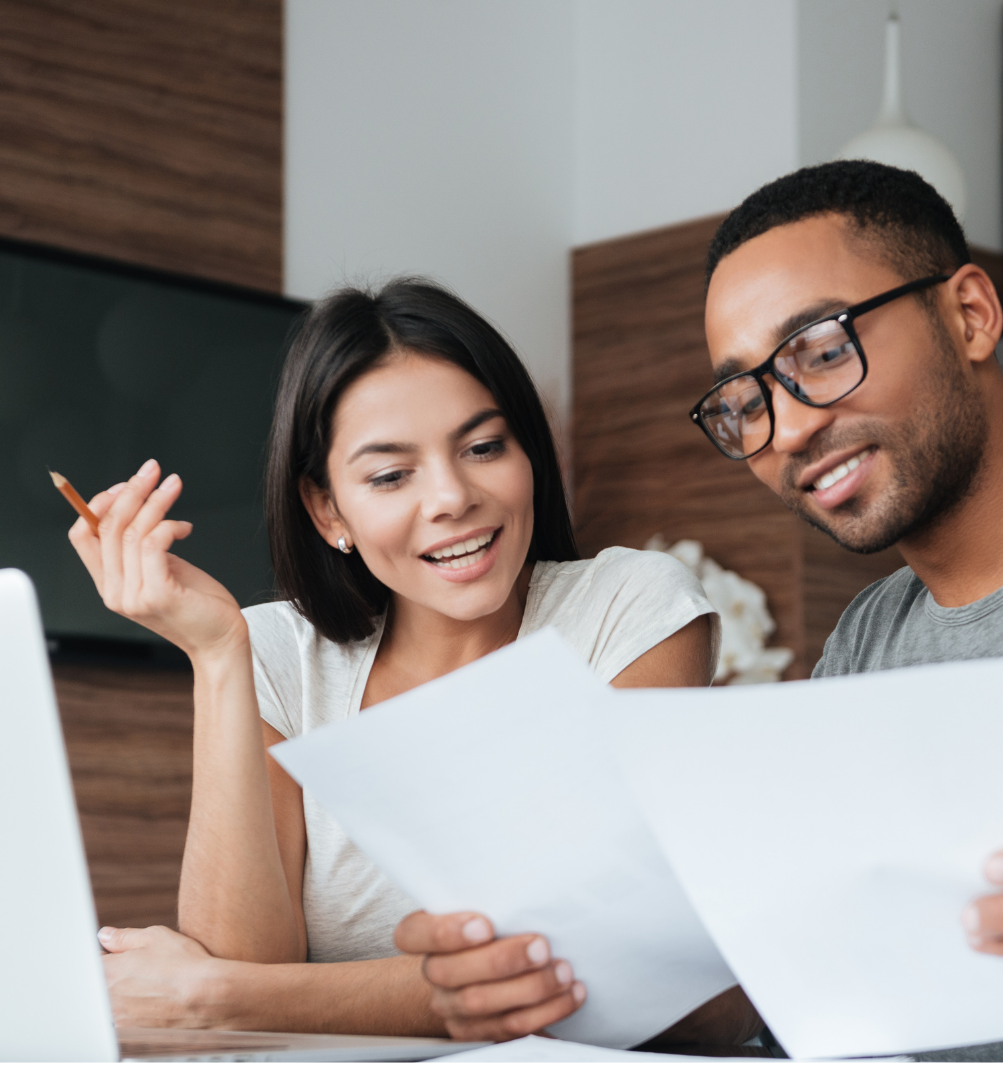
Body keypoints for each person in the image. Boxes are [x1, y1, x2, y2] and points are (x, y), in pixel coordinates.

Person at [408, 161, 1003, 1062]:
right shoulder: (869, 638)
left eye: (822, 351)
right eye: (745, 402)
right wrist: (543, 985)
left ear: (970, 315)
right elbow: (799, 988)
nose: (785, 432)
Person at [67, 279, 749, 1042]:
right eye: (392, 475)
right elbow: (244, 960)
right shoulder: (279, 652)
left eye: (484, 447)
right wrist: (218, 654)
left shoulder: (629, 609)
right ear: (328, 511)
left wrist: (218, 997)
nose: (452, 496)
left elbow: (585, 964)